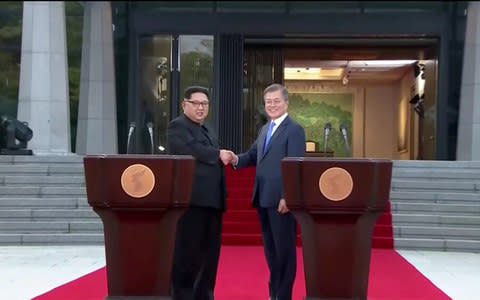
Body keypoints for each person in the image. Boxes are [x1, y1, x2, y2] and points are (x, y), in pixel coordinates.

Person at [224, 83, 306, 300]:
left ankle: (283, 296)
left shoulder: (295, 130)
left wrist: (288, 196)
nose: (272, 105)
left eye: (276, 101)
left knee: (285, 253)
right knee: (271, 252)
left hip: (281, 201)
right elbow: (252, 155)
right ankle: (274, 294)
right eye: (268, 102)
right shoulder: (265, 129)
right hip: (262, 197)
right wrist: (235, 159)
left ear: (286, 103)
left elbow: (295, 164)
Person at [167, 86, 231, 300]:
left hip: (213, 202)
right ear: (185, 104)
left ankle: (204, 295)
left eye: (205, 104)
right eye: (196, 103)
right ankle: (182, 296)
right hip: (191, 202)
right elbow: (191, 150)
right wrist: (218, 153)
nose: (201, 108)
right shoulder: (177, 126)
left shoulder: (208, 129)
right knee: (188, 255)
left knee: (209, 256)